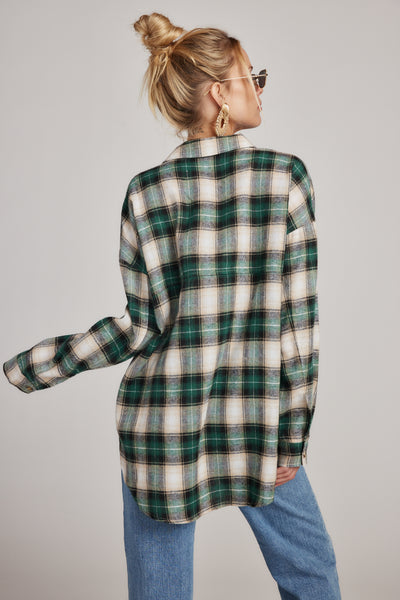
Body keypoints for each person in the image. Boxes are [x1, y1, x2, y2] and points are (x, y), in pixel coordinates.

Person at [3, 11, 342, 600]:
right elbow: (298, 330)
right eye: (253, 77)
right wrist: (293, 437)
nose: (261, 89)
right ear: (221, 93)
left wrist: (37, 365)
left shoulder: (147, 190)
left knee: (158, 590)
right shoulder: (285, 178)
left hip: (163, 425)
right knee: (312, 574)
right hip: (259, 422)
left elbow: (140, 327)